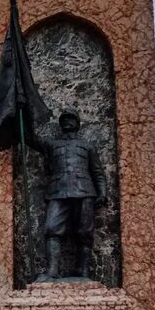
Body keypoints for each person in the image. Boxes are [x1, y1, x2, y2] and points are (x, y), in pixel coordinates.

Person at [33, 109, 107, 280]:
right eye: (64, 118)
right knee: (52, 228)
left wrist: (102, 192)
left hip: (84, 191)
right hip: (57, 192)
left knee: (84, 232)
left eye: (71, 118)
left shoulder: (87, 146)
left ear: (77, 123)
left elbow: (97, 172)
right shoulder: (52, 144)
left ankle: (83, 270)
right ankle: (52, 270)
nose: (67, 121)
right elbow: (32, 139)